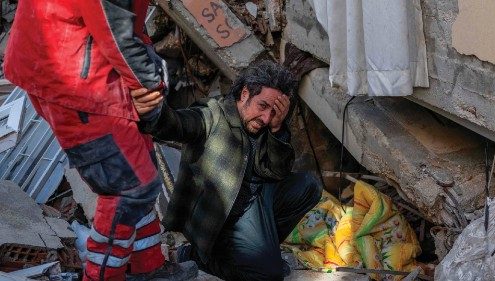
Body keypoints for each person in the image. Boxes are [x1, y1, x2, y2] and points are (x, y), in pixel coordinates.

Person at [3, 1, 197, 280]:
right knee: (129, 188)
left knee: (141, 167)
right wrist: (150, 87)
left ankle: (146, 265)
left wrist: (148, 73)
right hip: (69, 77)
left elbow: (126, 20)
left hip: (77, 58)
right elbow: (116, 30)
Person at [133, 61, 323, 281]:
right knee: (268, 275)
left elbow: (278, 172)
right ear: (244, 94)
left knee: (308, 185)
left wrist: (278, 130)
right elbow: (178, 123)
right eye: (262, 106)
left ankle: (253, 253)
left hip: (256, 200)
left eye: (273, 111)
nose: (266, 118)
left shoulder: (266, 124)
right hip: (224, 217)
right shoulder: (212, 114)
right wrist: (151, 111)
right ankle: (199, 256)